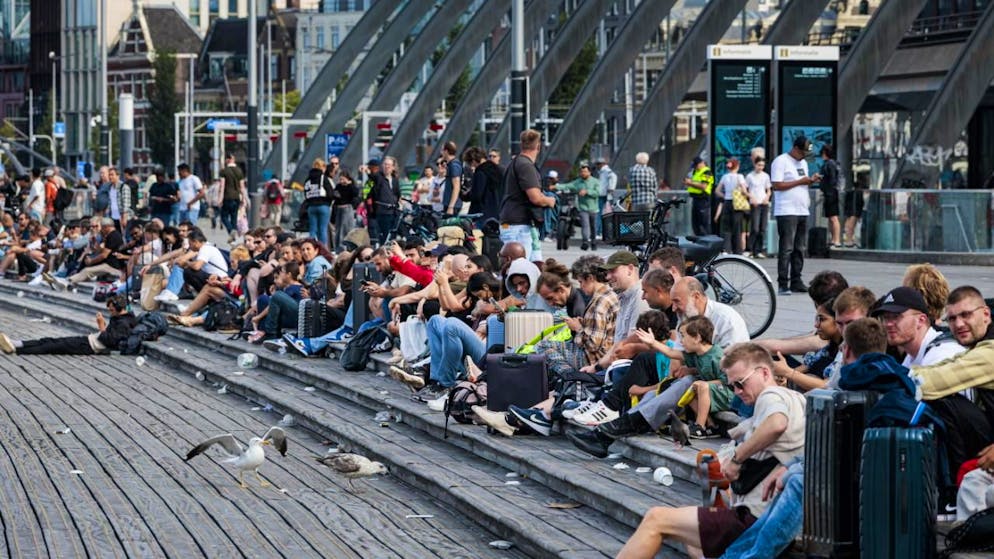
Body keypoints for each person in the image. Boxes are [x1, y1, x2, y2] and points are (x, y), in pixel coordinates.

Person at [616, 343, 805, 559]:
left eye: (741, 384)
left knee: (656, 518)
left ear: (764, 372)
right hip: (760, 513)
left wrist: (736, 459)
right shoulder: (795, 398)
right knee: (693, 540)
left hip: (754, 518)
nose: (737, 392)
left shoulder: (771, 396)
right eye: (733, 386)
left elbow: (776, 424)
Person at [0, 294, 136, 356]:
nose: (110, 312)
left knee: (52, 346)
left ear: (119, 308)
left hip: (90, 347)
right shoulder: (119, 318)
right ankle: (18, 343)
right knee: (51, 341)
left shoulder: (123, 323)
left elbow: (110, 341)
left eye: (111, 309)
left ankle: (16, 350)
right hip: (89, 340)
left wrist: (101, 326)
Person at [771, 136, 820, 296]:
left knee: (800, 248)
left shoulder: (803, 163)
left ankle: (796, 280)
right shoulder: (781, 161)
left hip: (801, 210)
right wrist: (800, 182)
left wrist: (810, 181)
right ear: (796, 148)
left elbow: (801, 182)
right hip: (786, 211)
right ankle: (783, 283)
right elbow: (777, 185)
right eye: (803, 152)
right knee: (787, 248)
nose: (805, 156)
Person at [498, 129, 555, 262]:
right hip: (519, 226)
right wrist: (550, 200)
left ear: (521, 145)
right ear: (538, 146)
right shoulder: (526, 165)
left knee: (533, 267)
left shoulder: (515, 162)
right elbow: (535, 198)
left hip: (513, 222)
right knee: (520, 269)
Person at [558, 163, 600, 250]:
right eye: (581, 172)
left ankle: (593, 242)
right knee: (585, 224)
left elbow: (597, 193)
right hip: (582, 208)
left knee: (593, 227)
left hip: (594, 208)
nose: (583, 173)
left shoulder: (595, 181)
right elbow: (567, 185)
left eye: (585, 171)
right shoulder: (578, 182)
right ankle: (585, 242)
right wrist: (555, 186)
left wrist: (587, 192)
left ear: (589, 172)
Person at [715, 157, 748, 254]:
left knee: (726, 228)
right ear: (737, 166)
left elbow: (717, 191)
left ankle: (726, 250)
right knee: (737, 228)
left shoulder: (725, 177)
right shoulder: (740, 176)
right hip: (737, 204)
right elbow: (744, 191)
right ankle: (738, 251)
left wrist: (725, 195)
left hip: (727, 203)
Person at [303, 158, 334, 247]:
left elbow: (305, 193)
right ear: (322, 167)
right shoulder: (323, 178)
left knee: (312, 229)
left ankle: (310, 247)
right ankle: (322, 248)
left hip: (311, 207)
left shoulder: (308, 179)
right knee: (323, 229)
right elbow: (330, 192)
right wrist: (329, 201)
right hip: (323, 205)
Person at [746, 157, 771, 258]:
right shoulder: (749, 176)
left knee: (762, 228)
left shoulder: (765, 176)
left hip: (764, 203)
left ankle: (758, 250)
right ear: (755, 165)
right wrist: (751, 197)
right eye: (759, 165)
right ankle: (749, 249)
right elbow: (745, 190)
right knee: (755, 228)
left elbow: (769, 189)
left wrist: (767, 198)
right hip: (754, 203)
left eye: (762, 165)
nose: (761, 167)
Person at [683, 156, 714, 235]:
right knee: (695, 223)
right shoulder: (696, 172)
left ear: (701, 163)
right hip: (695, 199)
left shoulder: (707, 172)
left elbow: (704, 186)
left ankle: (708, 242)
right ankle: (698, 241)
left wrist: (690, 183)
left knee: (703, 223)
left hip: (703, 200)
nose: (695, 168)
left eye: (696, 166)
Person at [819, 145, 843, 247]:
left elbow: (832, 179)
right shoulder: (830, 163)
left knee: (833, 217)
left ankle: (836, 239)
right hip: (829, 193)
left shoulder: (830, 164)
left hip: (831, 193)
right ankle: (833, 239)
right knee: (831, 217)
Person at [219, 153, 246, 240]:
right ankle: (234, 236)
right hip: (237, 197)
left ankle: (231, 231)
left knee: (224, 216)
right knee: (234, 217)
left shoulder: (224, 171)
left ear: (228, 159)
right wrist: (244, 198)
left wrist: (220, 199)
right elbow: (242, 187)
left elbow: (222, 186)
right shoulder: (239, 171)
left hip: (227, 197)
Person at [595, 157, 617, 240]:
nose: (597, 166)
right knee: (603, 214)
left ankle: (599, 231)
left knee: (600, 213)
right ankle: (600, 231)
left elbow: (613, 177)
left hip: (603, 195)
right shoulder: (602, 171)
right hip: (604, 194)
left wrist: (611, 188)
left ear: (602, 164)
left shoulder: (606, 171)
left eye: (598, 164)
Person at [441, 141, 463, 216]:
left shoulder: (454, 165)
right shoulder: (450, 164)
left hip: (453, 205)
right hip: (449, 203)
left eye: (442, 150)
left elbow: (456, 187)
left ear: (446, 151)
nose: (441, 153)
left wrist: (451, 207)